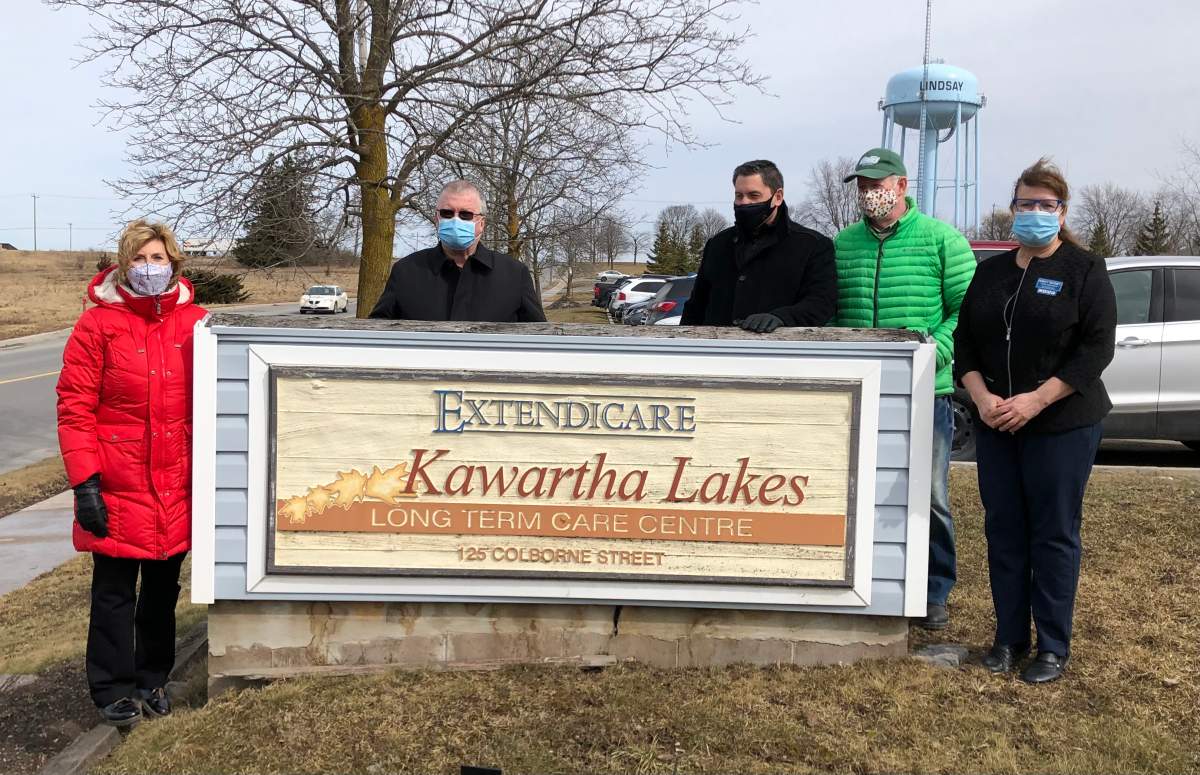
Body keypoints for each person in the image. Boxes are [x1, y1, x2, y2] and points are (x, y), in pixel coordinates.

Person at [954, 158, 1116, 683]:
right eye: (1026, 203)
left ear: (1062, 211)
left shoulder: (1084, 270)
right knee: (1004, 530)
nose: (1035, 213)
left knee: (1052, 534)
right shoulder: (991, 272)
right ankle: (1007, 638)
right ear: (1012, 208)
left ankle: (1051, 645)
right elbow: (966, 345)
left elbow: (1095, 351)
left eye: (1046, 205)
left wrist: (1034, 401)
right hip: (996, 423)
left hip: (1060, 423)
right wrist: (981, 399)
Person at [56, 220, 208, 725]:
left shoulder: (198, 325)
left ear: (174, 265)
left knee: (163, 592)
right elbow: (75, 407)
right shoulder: (96, 326)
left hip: (177, 481)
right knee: (115, 592)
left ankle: (153, 678)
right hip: (116, 483)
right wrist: (85, 483)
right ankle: (112, 687)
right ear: (124, 265)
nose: (150, 268)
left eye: (158, 259)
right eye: (140, 259)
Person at [833, 147, 976, 630]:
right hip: (858, 392)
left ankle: (935, 589)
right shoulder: (843, 244)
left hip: (925, 392)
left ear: (901, 185)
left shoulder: (942, 240)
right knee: (857, 489)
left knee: (930, 494)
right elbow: (831, 314)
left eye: (878, 184)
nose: (869, 193)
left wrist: (936, 350)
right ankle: (866, 579)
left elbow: (967, 311)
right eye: (862, 185)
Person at [680, 160, 837, 331]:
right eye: (739, 196)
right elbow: (696, 306)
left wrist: (782, 317)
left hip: (777, 351)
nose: (744, 203)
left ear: (777, 197)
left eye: (754, 196)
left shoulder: (812, 245)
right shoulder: (718, 244)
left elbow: (822, 303)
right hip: (717, 350)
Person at [369, 180, 546, 322]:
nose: (455, 220)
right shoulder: (406, 271)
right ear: (436, 219)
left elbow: (539, 340)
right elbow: (376, 333)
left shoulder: (514, 275)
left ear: (481, 223)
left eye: (465, 215)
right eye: (447, 213)